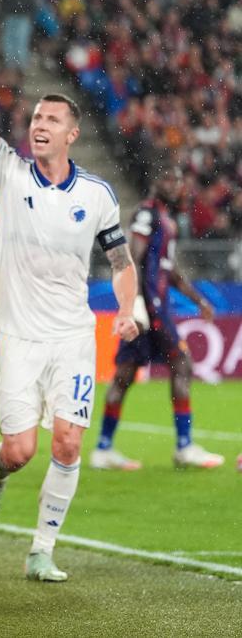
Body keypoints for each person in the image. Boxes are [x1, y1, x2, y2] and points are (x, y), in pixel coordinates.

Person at [0, 2, 140, 582]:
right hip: (17, 332)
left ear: (72, 133)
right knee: (20, 451)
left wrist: (126, 309)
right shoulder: (9, 171)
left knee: (66, 441)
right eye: (35, 117)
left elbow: (120, 260)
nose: (39, 125)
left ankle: (42, 548)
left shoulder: (99, 195)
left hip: (72, 336)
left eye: (51, 120)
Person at [91, 168, 223, 471]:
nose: (176, 186)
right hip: (152, 307)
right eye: (169, 180)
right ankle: (184, 446)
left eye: (178, 180)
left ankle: (103, 448)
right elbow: (133, 258)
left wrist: (199, 300)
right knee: (181, 364)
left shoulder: (165, 218)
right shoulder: (148, 214)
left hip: (149, 307)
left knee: (125, 375)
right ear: (156, 183)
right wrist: (135, 304)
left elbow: (169, 270)